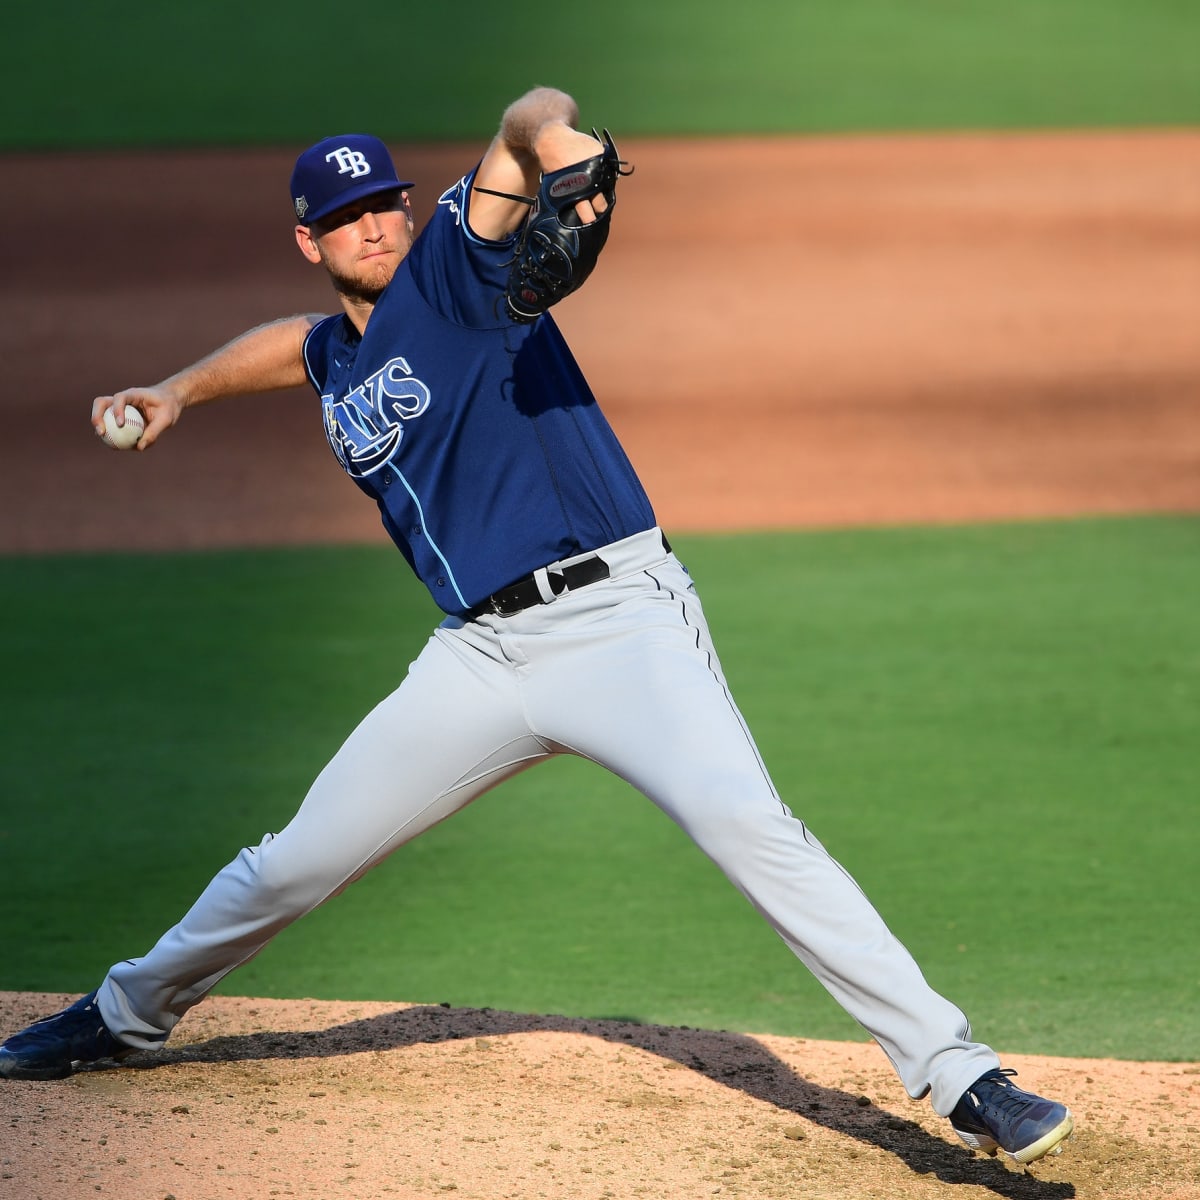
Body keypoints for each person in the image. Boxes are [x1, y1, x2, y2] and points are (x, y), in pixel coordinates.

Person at [1, 87, 1072, 1166]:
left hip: (618, 626)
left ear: (412, 211)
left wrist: (559, 145)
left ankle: (964, 1077)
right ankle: (122, 1015)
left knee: (750, 827)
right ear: (307, 239)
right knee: (292, 863)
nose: (371, 225)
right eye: (344, 217)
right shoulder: (336, 354)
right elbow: (296, 349)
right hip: (476, 659)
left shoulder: (459, 267)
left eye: (385, 204)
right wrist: (181, 390)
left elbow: (528, 116)